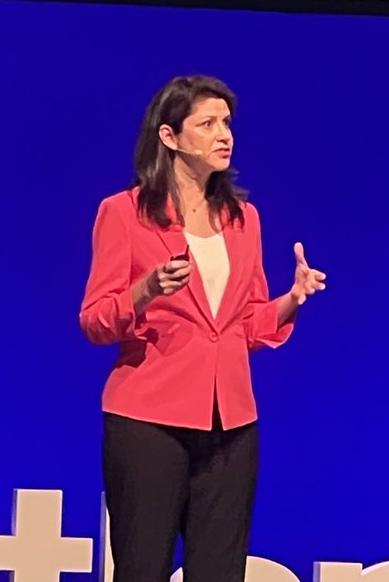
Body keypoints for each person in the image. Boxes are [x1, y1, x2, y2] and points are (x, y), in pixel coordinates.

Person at [79, 74, 326, 582]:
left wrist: (291, 299)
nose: (224, 135)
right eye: (207, 124)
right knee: (142, 569)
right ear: (170, 136)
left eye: (227, 123)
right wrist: (146, 289)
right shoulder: (124, 213)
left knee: (219, 572)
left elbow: (247, 326)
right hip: (148, 420)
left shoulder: (243, 219)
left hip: (230, 423)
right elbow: (95, 320)